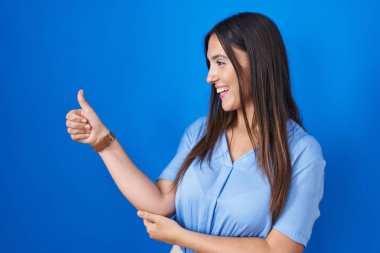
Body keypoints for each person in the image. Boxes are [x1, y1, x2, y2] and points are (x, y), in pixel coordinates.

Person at [65, 12, 326, 253]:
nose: (210, 77)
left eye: (220, 62)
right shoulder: (200, 133)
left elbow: (277, 250)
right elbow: (159, 202)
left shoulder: (303, 153)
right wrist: (102, 142)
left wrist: (181, 237)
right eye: (209, 64)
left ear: (257, 62)